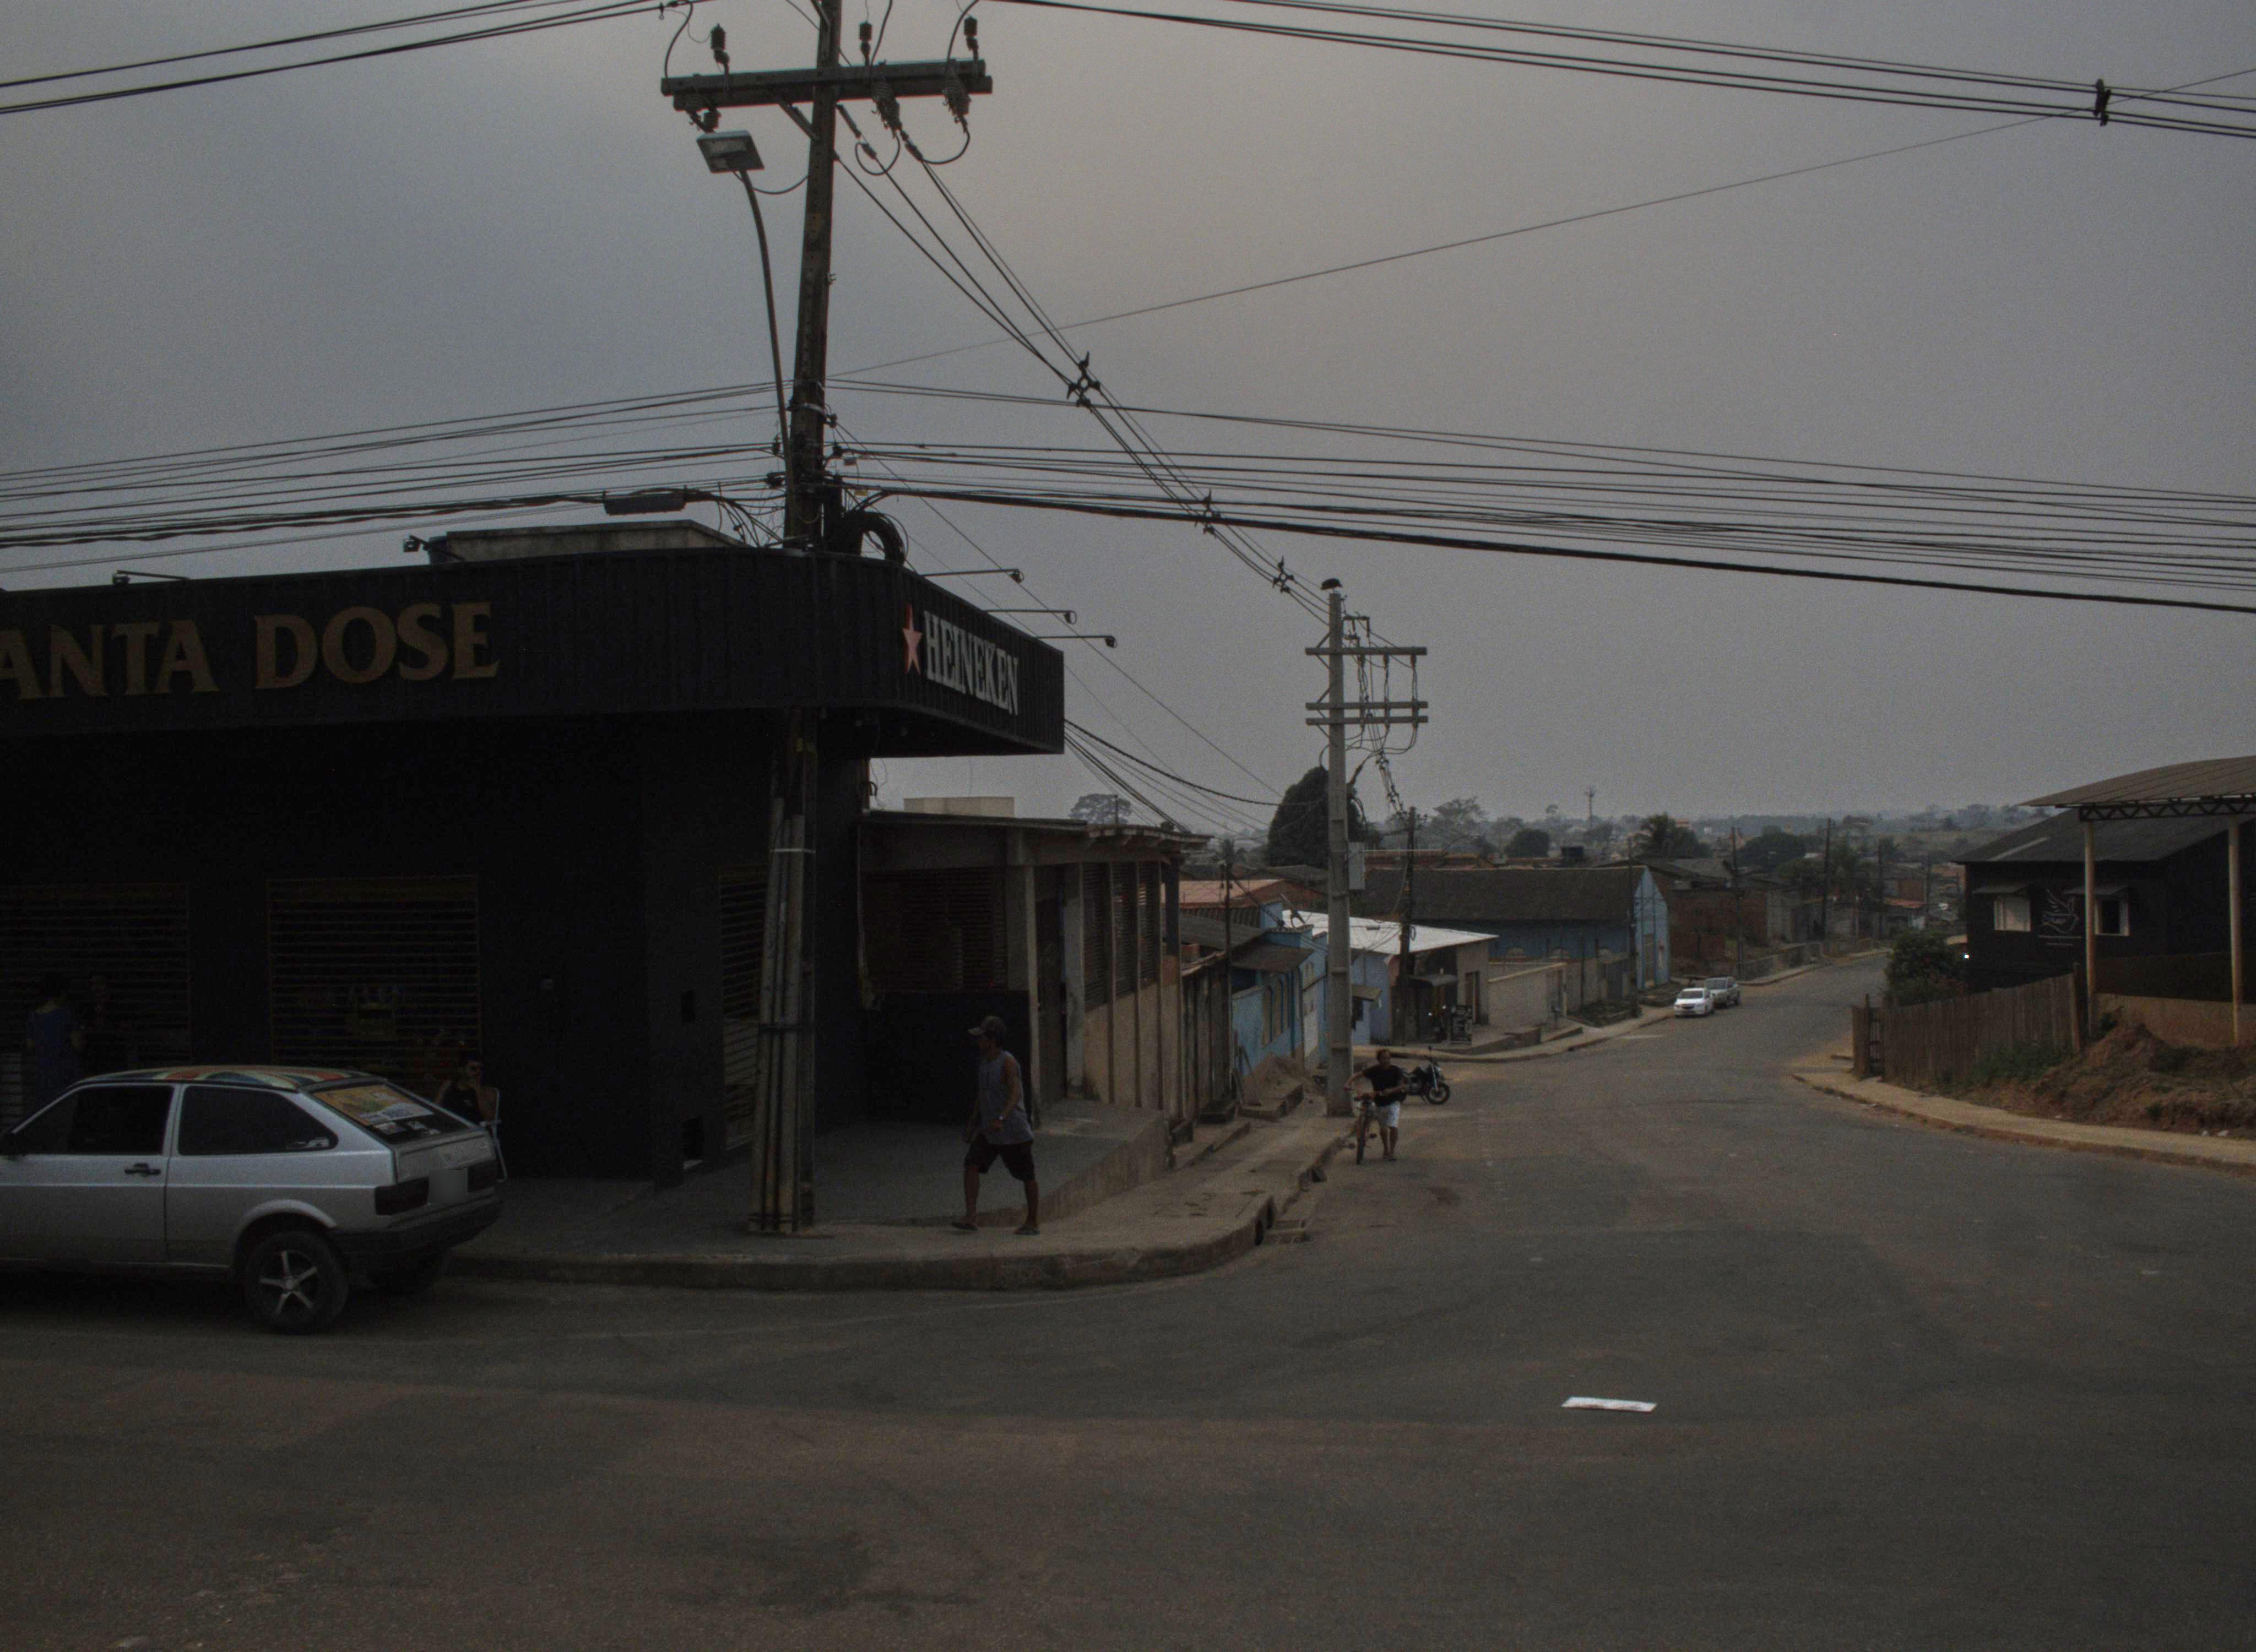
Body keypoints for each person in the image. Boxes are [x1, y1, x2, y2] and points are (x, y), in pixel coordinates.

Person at [953, 1014, 1039, 1236]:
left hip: (1014, 1132)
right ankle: (971, 1216)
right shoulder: (984, 1063)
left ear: (992, 1041)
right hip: (990, 1132)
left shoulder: (1007, 1062)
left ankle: (1032, 1221)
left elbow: (1015, 1093)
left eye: (982, 1038)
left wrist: (1002, 1118)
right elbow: (982, 1095)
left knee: (1027, 1175)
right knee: (971, 1164)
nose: (978, 1042)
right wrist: (973, 1123)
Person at [24, 972, 84, 1112]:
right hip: (65, 1078)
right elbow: (79, 1046)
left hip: (43, 1078)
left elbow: (30, 1046)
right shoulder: (67, 1015)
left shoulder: (34, 1018)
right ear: (62, 993)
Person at [1354, 1048, 1409, 1164]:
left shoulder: (1396, 1070)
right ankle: (1386, 1148)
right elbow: (1358, 1076)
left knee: (1393, 1127)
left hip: (1394, 1102)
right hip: (1380, 1103)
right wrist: (1348, 1084)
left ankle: (1392, 1152)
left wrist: (1391, 1090)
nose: (1386, 1061)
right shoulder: (1374, 1070)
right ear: (1379, 1060)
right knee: (1383, 1129)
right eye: (1384, 1058)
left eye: (1388, 1058)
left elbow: (1402, 1086)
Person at [433, 1053, 497, 1127]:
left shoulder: (488, 1091)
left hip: (473, 1130)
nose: (478, 1072)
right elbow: (435, 1108)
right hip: (448, 1128)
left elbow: (490, 1119)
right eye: (473, 1068)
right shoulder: (449, 1085)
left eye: (481, 1069)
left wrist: (478, 1090)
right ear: (461, 1070)